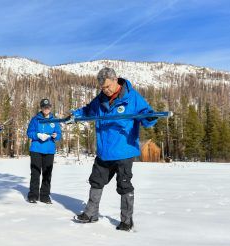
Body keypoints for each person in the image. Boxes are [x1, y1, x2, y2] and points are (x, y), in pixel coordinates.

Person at [72, 67, 158, 231]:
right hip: (104, 150)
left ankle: (126, 221)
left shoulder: (132, 97)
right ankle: (91, 214)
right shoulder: (100, 99)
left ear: (116, 80)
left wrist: (149, 117)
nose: (105, 90)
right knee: (96, 181)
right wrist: (74, 115)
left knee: (124, 184)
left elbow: (146, 115)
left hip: (124, 150)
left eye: (107, 86)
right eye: (102, 88)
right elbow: (88, 110)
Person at [26, 99, 62, 204]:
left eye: (48, 107)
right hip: (36, 149)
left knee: (47, 174)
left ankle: (45, 196)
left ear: (50, 108)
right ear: (41, 108)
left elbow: (59, 134)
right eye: (44, 107)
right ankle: (33, 195)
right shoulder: (35, 119)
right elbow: (29, 132)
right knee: (35, 173)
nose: (46, 109)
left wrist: (56, 136)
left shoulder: (54, 120)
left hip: (49, 150)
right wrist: (37, 135)